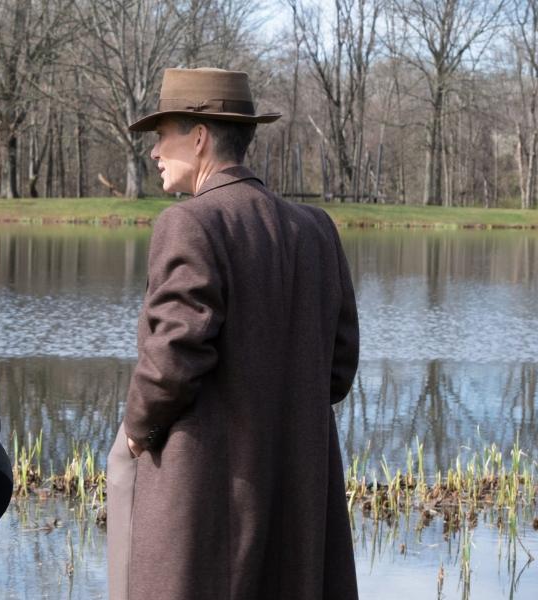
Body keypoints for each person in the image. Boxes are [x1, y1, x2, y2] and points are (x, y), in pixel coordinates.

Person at [106, 68, 360, 600]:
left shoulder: (190, 223)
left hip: (203, 494)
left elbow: (174, 352)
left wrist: (137, 428)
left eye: (163, 135)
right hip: (298, 490)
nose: (155, 152)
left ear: (198, 137)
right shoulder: (315, 228)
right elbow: (338, 367)